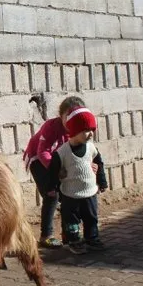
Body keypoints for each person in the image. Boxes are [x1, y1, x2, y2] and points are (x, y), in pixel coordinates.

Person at [23, 96, 86, 248]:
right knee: (52, 195)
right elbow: (43, 151)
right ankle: (46, 235)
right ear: (61, 115)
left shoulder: (81, 130)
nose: (71, 120)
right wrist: (56, 171)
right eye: (68, 116)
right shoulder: (51, 126)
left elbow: (84, 151)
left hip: (58, 162)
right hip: (38, 160)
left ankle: (68, 233)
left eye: (76, 116)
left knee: (69, 194)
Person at [46, 107, 108, 255]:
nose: (90, 134)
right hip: (70, 194)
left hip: (90, 192)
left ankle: (92, 238)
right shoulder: (62, 152)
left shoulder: (91, 147)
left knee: (91, 217)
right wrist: (51, 187)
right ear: (74, 131)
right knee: (71, 221)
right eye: (86, 130)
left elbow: (99, 163)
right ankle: (74, 241)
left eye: (92, 129)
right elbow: (53, 171)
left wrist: (102, 181)